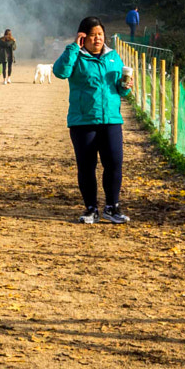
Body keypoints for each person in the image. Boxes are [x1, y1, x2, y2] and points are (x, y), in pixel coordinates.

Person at [52, 16, 131, 224]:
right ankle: (91, 209)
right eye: (93, 35)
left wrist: (125, 87)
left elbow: (121, 91)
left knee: (114, 163)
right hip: (83, 122)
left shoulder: (113, 58)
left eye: (100, 35)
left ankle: (112, 207)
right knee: (87, 166)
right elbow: (60, 72)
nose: (98, 39)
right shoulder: (76, 57)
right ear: (83, 37)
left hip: (111, 120)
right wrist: (73, 48)